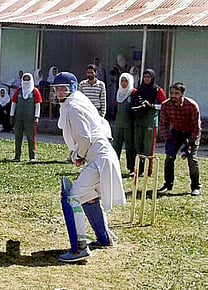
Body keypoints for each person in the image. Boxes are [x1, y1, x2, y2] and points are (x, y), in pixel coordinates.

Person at [52, 72, 125, 263]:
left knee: (73, 197)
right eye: (57, 89)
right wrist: (82, 154)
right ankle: (105, 237)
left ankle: (80, 249)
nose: (59, 92)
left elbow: (85, 137)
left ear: (73, 88)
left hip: (99, 158)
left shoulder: (74, 105)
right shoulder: (77, 101)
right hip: (99, 156)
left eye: (63, 88)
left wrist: (78, 155)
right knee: (89, 197)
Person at [158, 82, 202, 196]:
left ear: (182, 94)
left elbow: (196, 127)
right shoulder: (165, 105)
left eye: (176, 93)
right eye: (171, 93)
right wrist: (168, 140)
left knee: (191, 159)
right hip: (176, 132)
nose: (173, 96)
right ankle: (168, 184)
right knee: (169, 157)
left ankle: (195, 187)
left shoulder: (192, 105)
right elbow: (163, 124)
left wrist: (190, 143)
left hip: (191, 132)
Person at [132, 69, 167, 175]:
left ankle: (148, 170)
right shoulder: (139, 89)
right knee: (137, 145)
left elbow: (165, 106)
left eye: (149, 77)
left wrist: (151, 106)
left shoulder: (157, 90)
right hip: (139, 120)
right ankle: (138, 169)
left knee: (148, 146)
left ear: (152, 78)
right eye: (145, 76)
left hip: (150, 120)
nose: (146, 79)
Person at [9, 72, 42, 162]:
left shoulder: (35, 91)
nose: (26, 81)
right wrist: (11, 115)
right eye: (24, 79)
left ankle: (32, 156)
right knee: (18, 137)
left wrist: (36, 117)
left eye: (28, 79)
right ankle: (17, 156)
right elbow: (14, 103)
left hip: (30, 119)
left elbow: (38, 104)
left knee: (31, 137)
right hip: (19, 118)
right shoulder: (19, 91)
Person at [112, 73, 136, 176]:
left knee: (130, 147)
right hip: (118, 124)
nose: (124, 83)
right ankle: (113, 165)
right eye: (122, 81)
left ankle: (131, 167)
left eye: (126, 81)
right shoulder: (119, 93)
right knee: (116, 145)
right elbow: (116, 108)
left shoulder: (133, 93)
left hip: (129, 125)